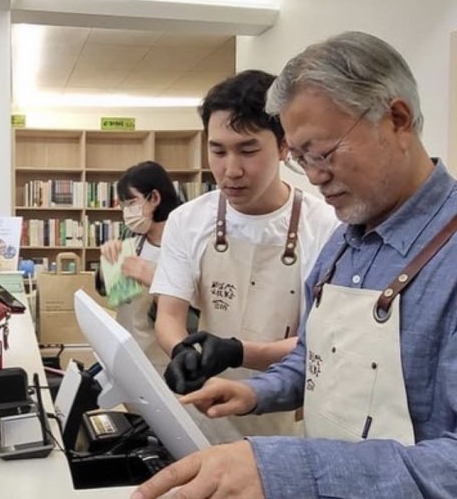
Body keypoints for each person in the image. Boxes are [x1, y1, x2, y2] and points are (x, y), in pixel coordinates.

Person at [134, 31, 457, 499]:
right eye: (302, 158)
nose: (315, 176)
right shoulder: (345, 243)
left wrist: (287, 469)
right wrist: (255, 393)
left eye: (323, 153)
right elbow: (316, 359)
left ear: (397, 119)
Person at [150, 69, 339, 437]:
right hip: (205, 409)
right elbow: (168, 315)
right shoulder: (188, 220)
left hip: (287, 416)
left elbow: (317, 342)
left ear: (285, 147)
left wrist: (237, 352)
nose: (230, 170)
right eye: (217, 151)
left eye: (248, 150)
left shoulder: (327, 226)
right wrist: (182, 353)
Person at [96, 160, 183, 372]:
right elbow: (110, 292)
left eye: (131, 202)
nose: (126, 211)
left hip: (163, 361)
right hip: (129, 353)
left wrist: (154, 280)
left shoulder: (184, 246)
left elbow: (196, 315)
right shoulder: (133, 242)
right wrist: (108, 263)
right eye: (123, 205)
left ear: (154, 198)